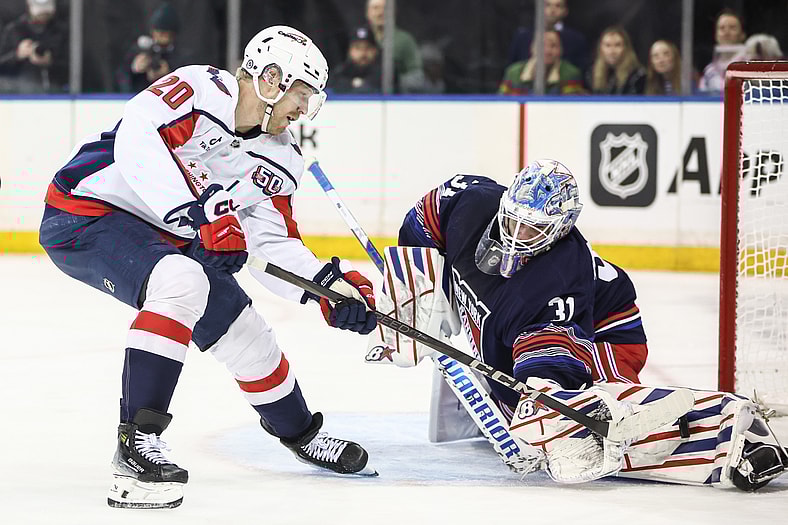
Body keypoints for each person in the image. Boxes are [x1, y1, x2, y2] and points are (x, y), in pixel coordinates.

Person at [38, 25, 378, 510]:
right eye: (301, 94)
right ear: (271, 79)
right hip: (87, 211)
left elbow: (272, 241)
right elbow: (137, 140)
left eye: (312, 100)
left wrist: (325, 286)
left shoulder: (281, 158)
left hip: (176, 236)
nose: (304, 110)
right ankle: (136, 444)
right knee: (182, 280)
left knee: (248, 335)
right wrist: (199, 214)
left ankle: (301, 434)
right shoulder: (198, 89)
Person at [374, 159, 787, 490]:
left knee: (574, 422)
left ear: (559, 229)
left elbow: (547, 359)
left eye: (532, 229)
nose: (517, 235)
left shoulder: (554, 279)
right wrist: (419, 288)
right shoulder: (469, 201)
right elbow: (421, 224)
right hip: (524, 325)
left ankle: (732, 433)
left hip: (606, 329)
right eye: (513, 220)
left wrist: (544, 398)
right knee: (524, 409)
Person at [118, 2, 189, 93]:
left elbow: (189, 80)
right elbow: (121, 74)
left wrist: (171, 75)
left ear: (173, 34)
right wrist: (134, 68)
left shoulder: (182, 56)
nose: (162, 37)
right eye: (159, 32)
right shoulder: (139, 50)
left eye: (165, 34)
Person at [0, 0, 68, 93]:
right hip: (21, 93)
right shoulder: (14, 31)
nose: (43, 15)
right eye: (40, 12)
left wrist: (50, 62)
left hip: (57, 92)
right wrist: (17, 55)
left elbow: (76, 67)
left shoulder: (62, 31)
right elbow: (2, 65)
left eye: (46, 12)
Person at [507, 0, 589, 75]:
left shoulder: (576, 39)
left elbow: (581, 69)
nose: (552, 10)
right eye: (547, 5)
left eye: (558, 6)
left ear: (565, 11)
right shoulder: (522, 37)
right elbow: (512, 65)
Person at [499, 29, 583, 95]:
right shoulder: (513, 72)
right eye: (542, 45)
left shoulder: (571, 74)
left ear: (560, 50)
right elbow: (501, 104)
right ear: (532, 48)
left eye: (553, 46)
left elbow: (571, 107)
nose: (547, 51)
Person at [364, 0, 423, 92]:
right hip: (361, 100)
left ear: (394, 11)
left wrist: (395, 81)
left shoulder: (404, 40)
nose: (380, 12)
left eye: (385, 8)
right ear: (367, 13)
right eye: (375, 8)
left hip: (395, 101)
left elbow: (418, 79)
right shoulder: (359, 41)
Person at [698, 9, 746, 95]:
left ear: (742, 34)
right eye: (722, 28)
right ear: (716, 35)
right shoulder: (709, 71)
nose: (726, 32)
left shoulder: (751, 66)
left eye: (732, 27)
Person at [587, 27, 645, 95]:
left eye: (617, 45)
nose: (612, 51)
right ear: (601, 48)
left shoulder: (637, 76)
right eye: (607, 45)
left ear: (626, 48)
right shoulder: (592, 73)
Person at [330, 25, 381, 94]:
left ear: (375, 50)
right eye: (358, 48)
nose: (363, 53)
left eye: (368, 48)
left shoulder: (384, 74)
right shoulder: (341, 71)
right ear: (350, 50)